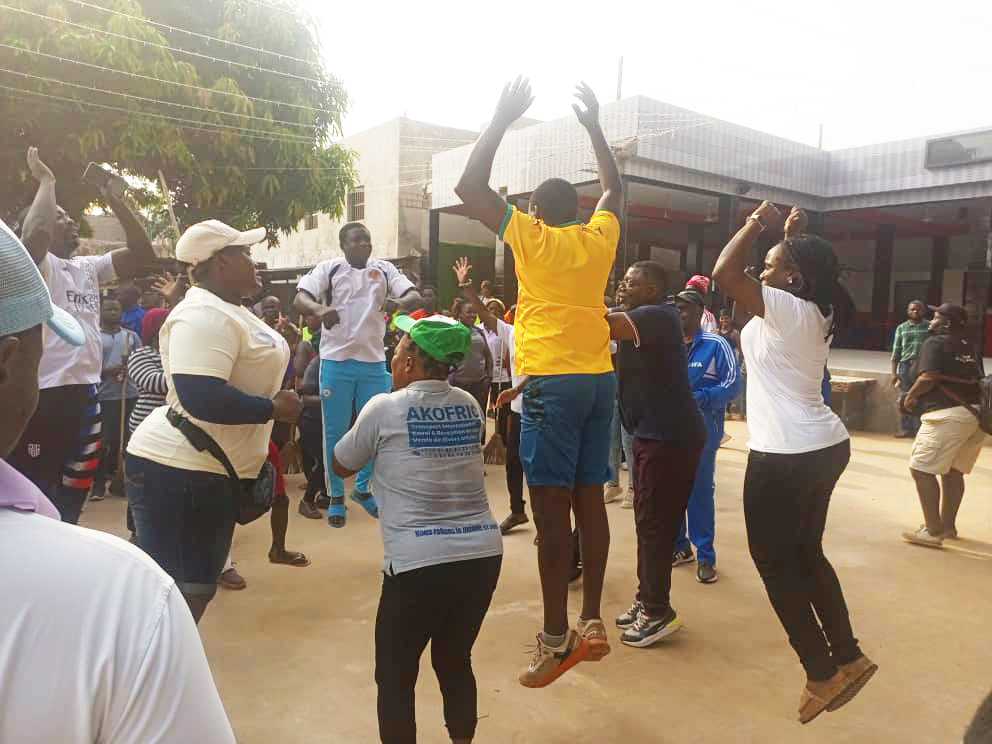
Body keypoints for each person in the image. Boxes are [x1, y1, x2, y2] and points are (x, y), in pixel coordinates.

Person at [0, 218, 236, 743]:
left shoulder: (87, 269)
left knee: (68, 495)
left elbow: (136, 249)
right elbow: (34, 228)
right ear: (7, 363)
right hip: (96, 421)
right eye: (42, 341)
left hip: (84, 411)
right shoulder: (125, 596)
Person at [455, 78, 619, 687]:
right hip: (599, 382)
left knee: (552, 520)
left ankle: (556, 640)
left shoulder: (529, 235)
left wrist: (500, 116)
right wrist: (595, 126)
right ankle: (594, 621)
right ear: (578, 211)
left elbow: (468, 187)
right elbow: (614, 188)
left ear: (533, 211)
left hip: (551, 383)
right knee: (590, 503)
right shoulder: (600, 237)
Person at [713, 201, 875, 724]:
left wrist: (753, 225)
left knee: (775, 563)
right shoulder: (810, 308)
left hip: (787, 454)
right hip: (820, 446)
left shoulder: (791, 308)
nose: (762, 272)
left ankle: (821, 672)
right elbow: (746, 301)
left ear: (794, 277)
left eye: (772, 266)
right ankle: (848, 656)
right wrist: (786, 238)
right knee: (806, 554)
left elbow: (723, 274)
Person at [331, 313, 502, 744]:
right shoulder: (467, 403)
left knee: (394, 675)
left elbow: (340, 462)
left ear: (410, 363)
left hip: (418, 562)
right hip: (481, 554)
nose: (393, 353)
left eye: (400, 347)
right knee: (454, 660)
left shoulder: (384, 407)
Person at [126, 219, 302, 622]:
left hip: (209, 472)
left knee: (187, 591)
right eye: (245, 253)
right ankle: (150, 676)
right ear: (221, 262)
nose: (254, 260)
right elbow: (200, 395)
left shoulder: (230, 309)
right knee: (180, 596)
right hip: (181, 472)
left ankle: (156, 671)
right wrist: (273, 409)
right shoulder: (202, 315)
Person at [9, 147, 155, 523]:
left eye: (69, 215)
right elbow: (36, 234)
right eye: (59, 217)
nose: (69, 220)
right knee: (35, 488)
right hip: (46, 394)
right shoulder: (38, 264)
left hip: (86, 394)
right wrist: (47, 181)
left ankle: (65, 545)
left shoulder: (87, 267)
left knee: (77, 487)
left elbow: (142, 254)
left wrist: (115, 201)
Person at [293, 223, 423, 528]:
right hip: (337, 363)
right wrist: (320, 309)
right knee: (334, 433)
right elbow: (300, 298)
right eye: (357, 239)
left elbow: (414, 296)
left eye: (367, 238)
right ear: (343, 244)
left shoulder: (385, 269)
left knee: (379, 429)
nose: (364, 243)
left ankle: (362, 489)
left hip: (374, 363)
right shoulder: (330, 268)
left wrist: (399, 303)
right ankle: (335, 495)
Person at [604, 261, 705, 647]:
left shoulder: (658, 316)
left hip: (669, 437)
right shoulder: (644, 318)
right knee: (649, 522)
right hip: (655, 435)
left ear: (651, 290)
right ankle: (647, 597)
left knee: (656, 524)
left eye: (631, 283)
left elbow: (602, 325)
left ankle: (657, 611)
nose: (622, 287)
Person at [453, 257, 530, 534]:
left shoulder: (548, 336)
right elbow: (483, 314)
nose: (524, 314)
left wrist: (517, 388)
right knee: (514, 463)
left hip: (543, 410)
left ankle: (549, 522)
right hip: (521, 410)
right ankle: (517, 511)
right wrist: (466, 286)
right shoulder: (511, 332)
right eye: (521, 310)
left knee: (540, 470)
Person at [900, 303, 986, 547]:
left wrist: (910, 396)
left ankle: (932, 531)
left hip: (947, 415)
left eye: (936, 316)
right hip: (974, 415)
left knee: (921, 469)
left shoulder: (935, 343)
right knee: (953, 471)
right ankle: (948, 527)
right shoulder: (971, 346)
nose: (931, 320)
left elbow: (928, 377)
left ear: (947, 323)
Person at [671, 288, 739, 583]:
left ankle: (706, 556)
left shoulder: (716, 344)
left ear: (700, 313)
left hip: (702, 433)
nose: (678, 313)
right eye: (676, 308)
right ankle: (679, 547)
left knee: (699, 493)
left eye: (684, 309)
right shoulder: (668, 344)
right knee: (672, 493)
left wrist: (701, 397)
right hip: (670, 432)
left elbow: (734, 384)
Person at [92, 295, 142, 501]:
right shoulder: (95, 337)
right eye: (109, 309)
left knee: (129, 441)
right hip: (105, 397)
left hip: (129, 395)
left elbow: (140, 362)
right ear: (101, 312)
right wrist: (107, 371)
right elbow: (90, 368)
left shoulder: (131, 337)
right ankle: (97, 484)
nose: (114, 313)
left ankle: (124, 482)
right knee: (103, 442)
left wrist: (130, 370)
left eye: (117, 309)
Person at [449, 296, 494, 442]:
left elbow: (488, 355)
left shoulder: (479, 332)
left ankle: (478, 444)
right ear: (460, 313)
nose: (473, 315)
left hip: (480, 384)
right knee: (459, 418)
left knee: (479, 416)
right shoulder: (453, 331)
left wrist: (489, 377)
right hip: (459, 384)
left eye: (474, 312)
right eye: (468, 312)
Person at [891, 300, 930, 438]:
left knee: (921, 395)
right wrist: (894, 373)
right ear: (908, 311)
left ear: (923, 311)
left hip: (923, 366)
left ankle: (920, 430)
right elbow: (896, 351)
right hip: (906, 366)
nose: (915, 312)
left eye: (918, 309)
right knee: (905, 396)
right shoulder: (901, 328)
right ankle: (906, 429)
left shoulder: (930, 327)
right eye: (912, 309)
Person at [719, 308, 745, 418]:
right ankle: (722, 409)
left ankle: (728, 410)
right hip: (719, 364)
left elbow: (740, 350)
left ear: (730, 319)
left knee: (728, 387)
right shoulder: (717, 332)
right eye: (722, 318)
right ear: (719, 319)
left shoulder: (734, 334)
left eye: (726, 318)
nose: (724, 321)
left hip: (731, 364)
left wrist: (738, 364)